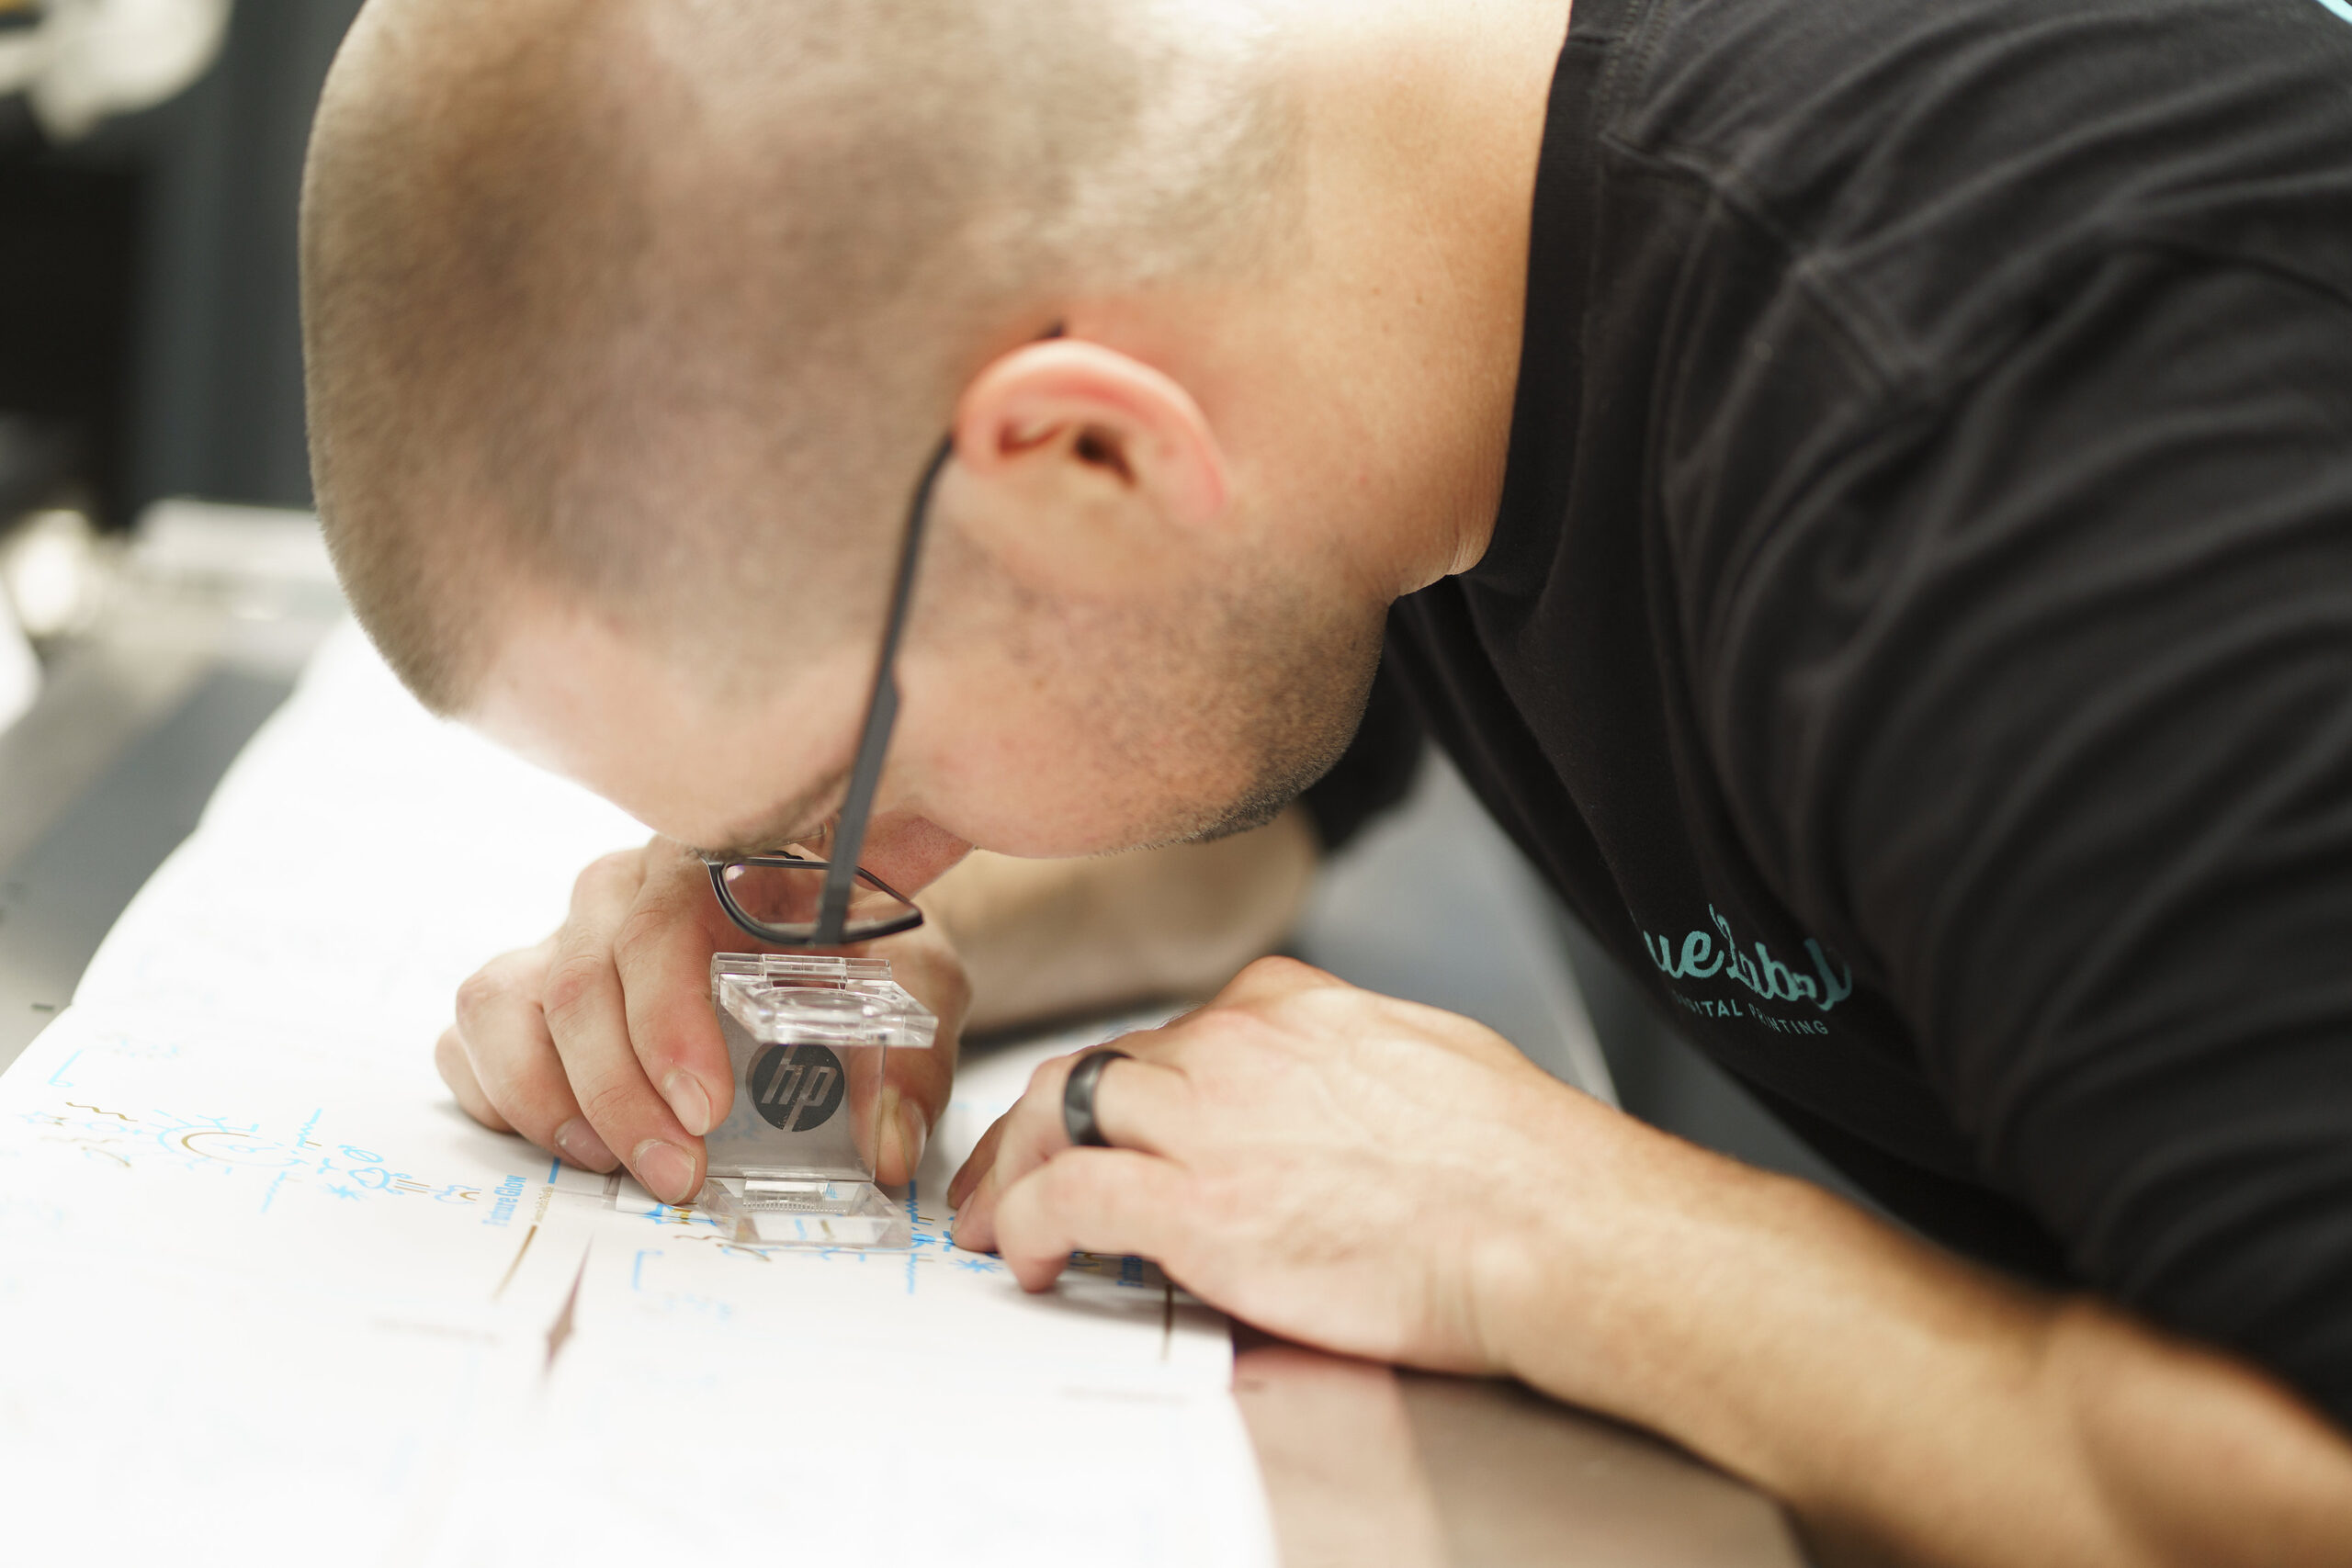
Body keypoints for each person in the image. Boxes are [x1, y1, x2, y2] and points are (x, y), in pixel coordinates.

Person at [298, 0, 2352, 1560]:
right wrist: (862, 950)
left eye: (845, 787)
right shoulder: (1410, 310)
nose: (851, 872)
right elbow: (1270, 787)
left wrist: (1557, 1232)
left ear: (1089, 459)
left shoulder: (1994, 431)